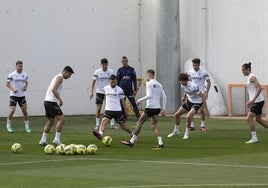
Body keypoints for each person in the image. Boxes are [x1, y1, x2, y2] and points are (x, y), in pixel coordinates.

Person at [121, 69, 167, 148]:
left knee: (139, 123)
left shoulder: (149, 83)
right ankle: (160, 143)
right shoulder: (159, 84)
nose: (147, 77)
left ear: (149, 75)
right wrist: (164, 109)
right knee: (154, 125)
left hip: (150, 107)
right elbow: (165, 97)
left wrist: (139, 100)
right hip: (157, 108)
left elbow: (149, 96)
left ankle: (131, 141)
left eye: (147, 76)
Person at [39, 66, 74, 146]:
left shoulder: (57, 77)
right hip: (51, 101)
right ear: (65, 72)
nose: (69, 77)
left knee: (50, 121)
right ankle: (57, 139)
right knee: (62, 119)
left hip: (47, 101)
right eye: (69, 74)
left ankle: (43, 140)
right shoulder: (60, 78)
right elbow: (53, 89)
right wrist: (59, 100)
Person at [167, 73, 208, 139]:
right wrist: (184, 97)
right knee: (176, 115)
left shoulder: (193, 86)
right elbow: (186, 91)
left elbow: (202, 96)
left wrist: (205, 108)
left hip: (197, 103)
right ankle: (176, 131)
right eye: (180, 81)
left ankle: (187, 134)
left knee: (188, 116)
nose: (181, 82)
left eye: (182, 81)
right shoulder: (182, 85)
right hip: (189, 101)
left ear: (186, 80)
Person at [92, 75, 133, 140]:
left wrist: (125, 111)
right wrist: (106, 106)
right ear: (109, 81)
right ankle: (100, 134)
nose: (113, 83)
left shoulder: (120, 90)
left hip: (117, 111)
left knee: (123, 126)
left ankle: (132, 134)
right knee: (103, 121)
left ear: (116, 81)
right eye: (111, 82)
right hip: (108, 110)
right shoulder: (105, 88)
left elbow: (123, 102)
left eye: (114, 82)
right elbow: (105, 97)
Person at [242, 62, 268, 143]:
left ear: (248, 69)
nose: (242, 72)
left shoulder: (252, 77)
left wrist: (252, 100)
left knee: (249, 118)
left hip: (257, 102)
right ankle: (254, 138)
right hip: (258, 101)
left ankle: (254, 138)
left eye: (243, 70)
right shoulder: (249, 77)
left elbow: (259, 88)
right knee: (258, 119)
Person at [90, 58, 116, 130]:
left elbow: (114, 81)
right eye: (103, 65)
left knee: (110, 107)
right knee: (98, 109)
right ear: (101, 65)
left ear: (107, 64)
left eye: (105, 65)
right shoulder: (97, 72)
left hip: (108, 92)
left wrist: (114, 90)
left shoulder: (111, 71)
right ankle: (97, 124)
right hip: (99, 92)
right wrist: (91, 92)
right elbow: (93, 82)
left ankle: (112, 124)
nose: (104, 66)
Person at [6, 60, 31, 133]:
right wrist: (13, 89)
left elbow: (26, 82)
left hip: (22, 96)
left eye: (22, 66)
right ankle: (8, 125)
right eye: (19, 66)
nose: (21, 67)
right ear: (16, 66)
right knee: (12, 110)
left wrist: (25, 87)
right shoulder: (11, 75)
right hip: (13, 95)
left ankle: (27, 127)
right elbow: (7, 84)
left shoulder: (25, 74)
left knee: (25, 111)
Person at [187, 58, 211, 131]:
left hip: (201, 93)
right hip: (192, 94)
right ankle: (192, 126)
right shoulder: (189, 72)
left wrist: (206, 93)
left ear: (199, 65)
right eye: (193, 65)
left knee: (202, 110)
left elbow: (209, 82)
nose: (194, 67)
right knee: (191, 110)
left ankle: (202, 126)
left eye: (196, 65)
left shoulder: (204, 72)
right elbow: (187, 84)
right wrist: (184, 95)